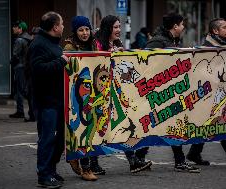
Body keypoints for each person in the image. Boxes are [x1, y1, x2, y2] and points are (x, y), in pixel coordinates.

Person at [136, 13, 200, 173]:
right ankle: (140, 158)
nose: (184, 27)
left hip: (169, 91)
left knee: (171, 124)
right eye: (182, 24)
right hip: (157, 93)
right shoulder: (158, 41)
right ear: (175, 26)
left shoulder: (169, 40)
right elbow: (145, 63)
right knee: (157, 125)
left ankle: (177, 160)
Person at [186, 18, 226, 170]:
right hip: (208, 94)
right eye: (224, 27)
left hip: (219, 93)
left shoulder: (225, 46)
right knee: (221, 123)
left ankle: (194, 153)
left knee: (208, 124)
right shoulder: (206, 49)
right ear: (215, 31)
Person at [95, 15, 152, 173]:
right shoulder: (98, 43)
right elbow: (96, 63)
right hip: (101, 94)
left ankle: (133, 161)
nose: (119, 30)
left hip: (117, 92)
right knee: (99, 127)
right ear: (108, 28)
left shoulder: (118, 43)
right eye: (115, 27)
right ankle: (93, 163)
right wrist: (110, 53)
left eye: (120, 27)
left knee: (125, 125)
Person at [28, 11, 69, 188]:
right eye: (61, 24)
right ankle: (44, 175)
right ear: (55, 27)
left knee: (59, 140)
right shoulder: (38, 44)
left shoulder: (53, 43)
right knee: (47, 139)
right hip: (47, 102)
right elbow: (38, 70)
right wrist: (61, 62)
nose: (63, 26)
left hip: (58, 100)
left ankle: (51, 170)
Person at [63, 15, 104, 181]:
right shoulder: (69, 47)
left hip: (92, 94)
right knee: (79, 129)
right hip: (76, 95)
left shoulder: (95, 44)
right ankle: (85, 168)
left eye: (87, 29)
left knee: (88, 130)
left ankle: (77, 158)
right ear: (75, 31)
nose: (85, 33)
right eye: (81, 30)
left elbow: (102, 62)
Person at [9, 20, 32, 119]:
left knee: (19, 89)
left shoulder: (19, 40)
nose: (13, 28)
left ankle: (20, 111)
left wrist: (11, 62)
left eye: (15, 27)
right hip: (27, 67)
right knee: (27, 89)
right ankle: (32, 111)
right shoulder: (29, 38)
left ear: (20, 29)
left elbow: (15, 55)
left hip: (20, 67)